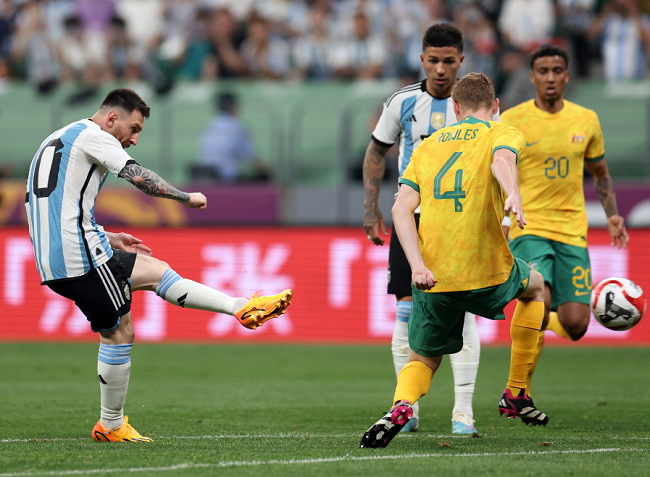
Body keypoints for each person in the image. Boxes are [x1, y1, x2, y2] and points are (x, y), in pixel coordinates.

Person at [24, 89, 292, 443]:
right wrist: (186, 197)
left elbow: (52, 204)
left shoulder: (60, 137)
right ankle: (111, 425)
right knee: (119, 331)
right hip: (78, 255)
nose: (134, 139)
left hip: (65, 248)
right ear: (112, 118)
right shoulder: (95, 135)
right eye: (133, 129)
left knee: (155, 271)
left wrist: (108, 234)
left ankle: (240, 307)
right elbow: (137, 176)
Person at [360, 72, 548, 449]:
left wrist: (416, 266)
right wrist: (513, 193)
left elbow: (400, 209)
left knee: (424, 359)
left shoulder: (427, 147)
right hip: (487, 271)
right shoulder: (501, 130)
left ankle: (402, 405)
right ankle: (516, 391)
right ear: (495, 107)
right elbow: (502, 161)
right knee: (537, 286)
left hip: (434, 277)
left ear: (455, 108)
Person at [362, 23, 503, 435]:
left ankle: (463, 413)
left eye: (449, 61)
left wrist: (503, 219)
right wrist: (371, 208)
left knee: (462, 312)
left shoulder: (482, 109)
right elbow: (376, 150)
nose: (440, 69)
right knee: (405, 312)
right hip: (414, 219)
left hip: (465, 219)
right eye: (433, 60)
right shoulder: (403, 101)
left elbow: (501, 160)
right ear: (422, 60)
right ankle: (407, 410)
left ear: (461, 61)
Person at [500, 44, 628, 397]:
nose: (551, 78)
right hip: (531, 228)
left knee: (574, 326)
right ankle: (518, 392)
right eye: (543, 72)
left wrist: (613, 214)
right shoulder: (512, 120)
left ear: (567, 76)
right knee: (536, 306)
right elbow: (498, 172)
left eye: (557, 71)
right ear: (532, 77)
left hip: (573, 231)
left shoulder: (586, 119)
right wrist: (503, 220)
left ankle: (531, 360)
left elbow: (600, 172)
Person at [196, 92, 271, 182]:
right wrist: (269, 172)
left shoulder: (209, 125)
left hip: (204, 174)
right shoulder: (237, 126)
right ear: (233, 106)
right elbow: (252, 157)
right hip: (225, 177)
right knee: (264, 179)